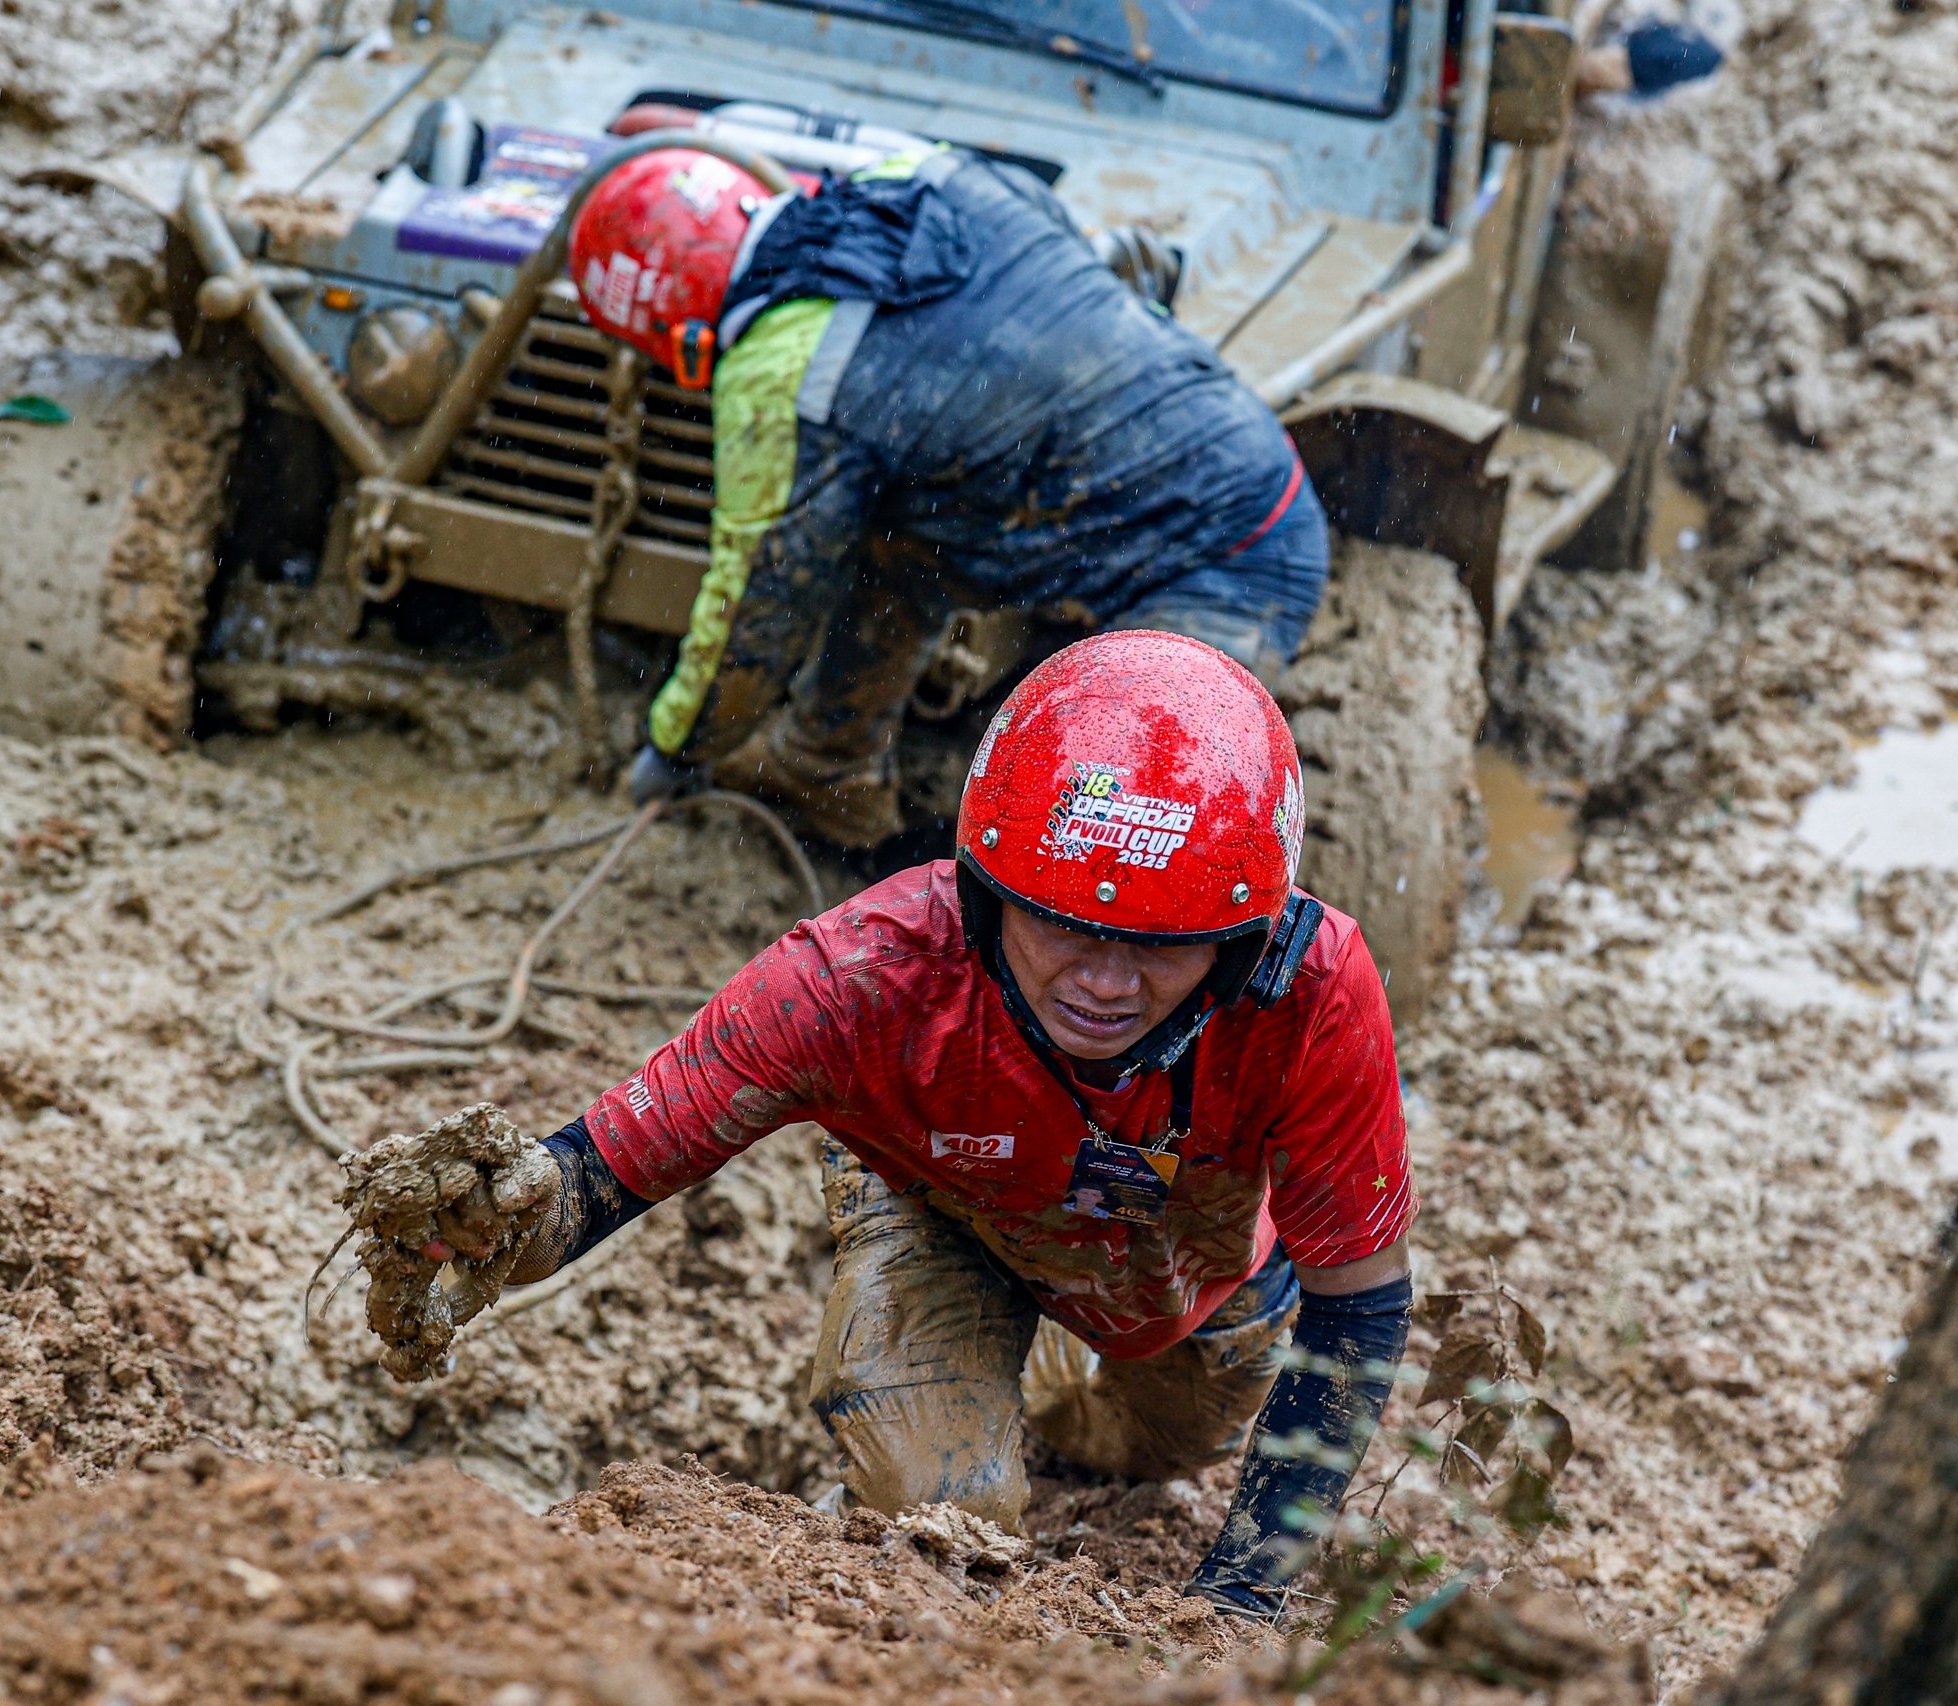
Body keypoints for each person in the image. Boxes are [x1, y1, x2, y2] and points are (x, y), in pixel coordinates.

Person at [434, 631, 1414, 1615]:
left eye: (1160, 947)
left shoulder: (1315, 992)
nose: (1106, 985)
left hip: (1187, 1263)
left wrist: (1244, 1595)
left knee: (1155, 1438)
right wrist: (474, 1217)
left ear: (1245, 942)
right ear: (985, 897)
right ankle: (960, 1382)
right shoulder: (862, 975)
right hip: (945, 1210)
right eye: (1064, 925)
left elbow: (1357, 1305)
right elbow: (608, 1163)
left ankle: (1061, 1376)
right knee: (940, 1522)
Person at [564, 143, 1329, 847]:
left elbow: (761, 608)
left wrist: (679, 747)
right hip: (1225, 458)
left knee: (1114, 844)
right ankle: (827, 770)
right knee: (894, 535)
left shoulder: (782, 378)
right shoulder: (921, 172)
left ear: (681, 341)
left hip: (1234, 564)